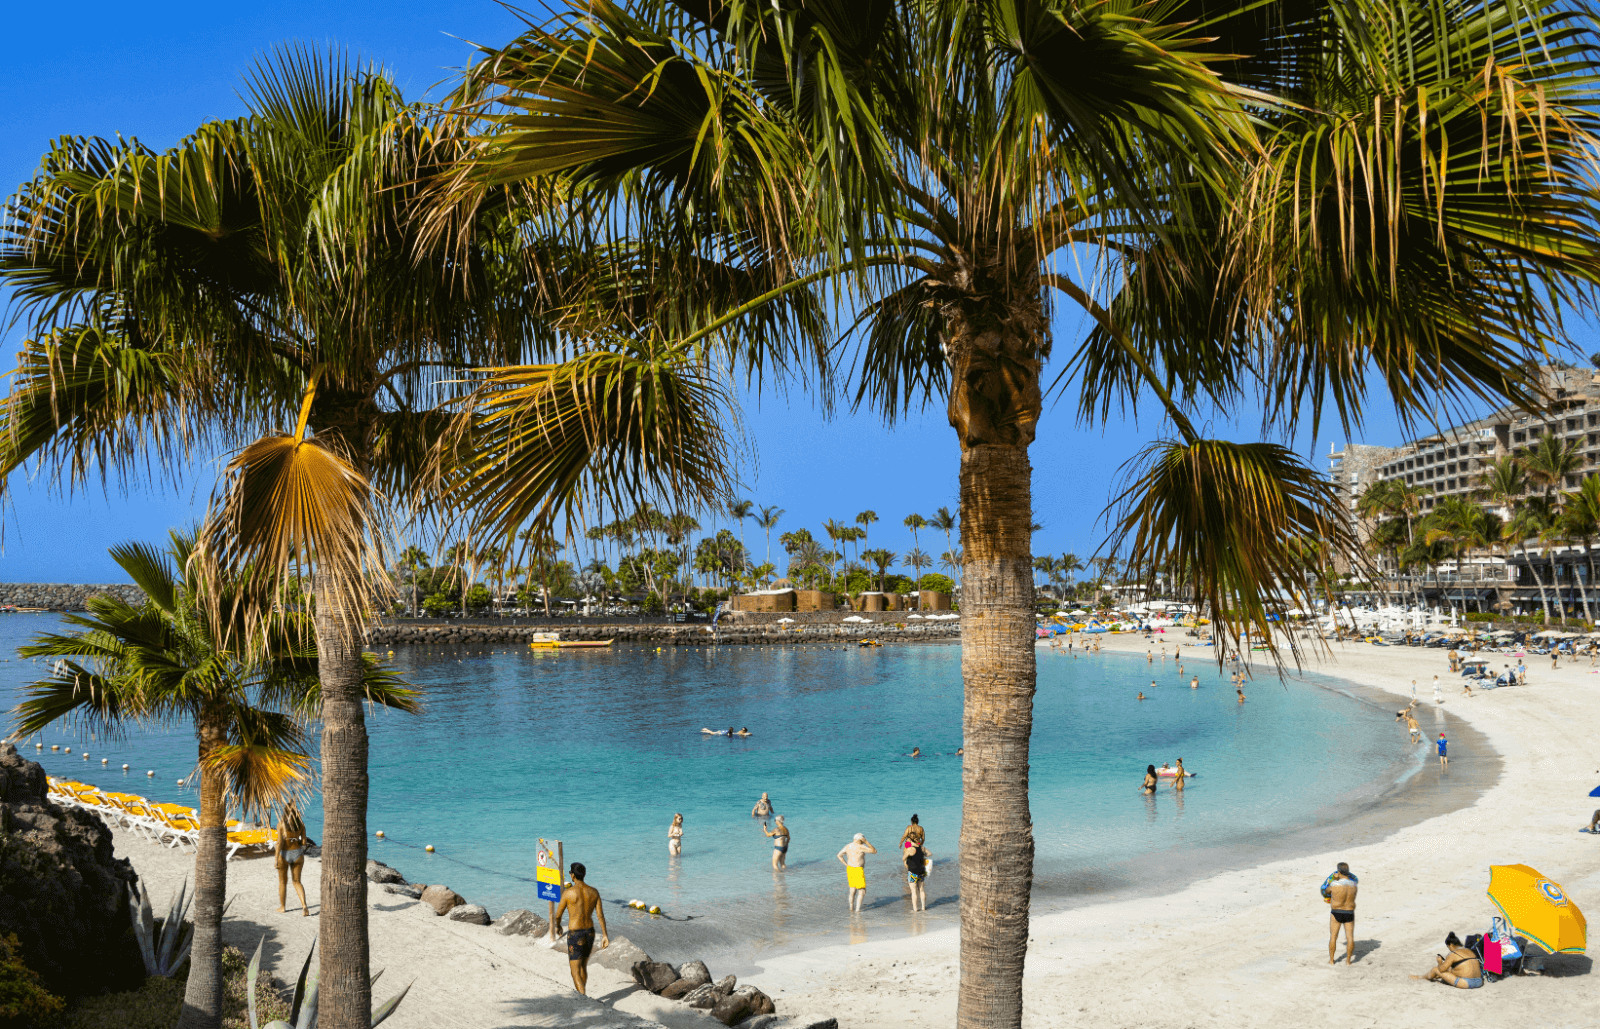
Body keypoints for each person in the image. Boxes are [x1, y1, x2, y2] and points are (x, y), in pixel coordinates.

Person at [552, 862, 609, 995]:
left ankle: (583, 998)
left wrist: (558, 925)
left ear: (572, 876)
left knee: (574, 971)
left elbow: (558, 915)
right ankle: (584, 995)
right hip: (590, 933)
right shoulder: (594, 892)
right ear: (583, 875)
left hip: (575, 934)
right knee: (583, 966)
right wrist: (605, 935)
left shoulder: (568, 893)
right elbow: (600, 915)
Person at [274, 802, 314, 916]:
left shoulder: (281, 824)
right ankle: (304, 905)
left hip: (285, 854)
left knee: (282, 882)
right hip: (298, 854)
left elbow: (279, 843)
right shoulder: (301, 824)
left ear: (285, 811)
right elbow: (304, 842)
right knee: (297, 882)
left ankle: (282, 907)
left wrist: (276, 859)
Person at [1415, 933, 1483, 989]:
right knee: (1451, 970)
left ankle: (1421, 977)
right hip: (1479, 981)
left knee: (1435, 969)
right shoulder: (1469, 951)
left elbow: (1441, 970)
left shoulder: (1453, 954)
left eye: (1448, 947)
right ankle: (1433, 976)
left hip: (1467, 983)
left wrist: (1440, 961)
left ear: (1450, 945)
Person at [1322, 863, 1358, 965]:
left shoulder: (1334, 884)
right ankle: (1348, 961)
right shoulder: (1354, 885)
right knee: (1350, 937)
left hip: (1336, 912)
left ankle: (1332, 960)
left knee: (1333, 936)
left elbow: (1326, 891)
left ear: (1339, 872)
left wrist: (1334, 878)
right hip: (1349, 912)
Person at [837, 833, 877, 912]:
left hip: (850, 869)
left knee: (852, 890)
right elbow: (874, 851)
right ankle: (857, 910)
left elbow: (839, 855)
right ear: (861, 839)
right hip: (858, 870)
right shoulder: (861, 846)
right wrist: (866, 842)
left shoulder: (848, 846)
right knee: (862, 891)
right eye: (862, 840)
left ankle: (851, 908)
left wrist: (846, 865)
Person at [903, 839, 932, 912]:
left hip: (913, 872)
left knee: (914, 891)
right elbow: (929, 854)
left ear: (911, 841)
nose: (907, 842)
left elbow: (903, 858)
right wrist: (922, 855)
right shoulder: (922, 848)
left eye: (908, 841)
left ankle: (915, 909)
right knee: (921, 889)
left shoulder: (910, 849)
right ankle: (923, 907)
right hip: (921, 871)